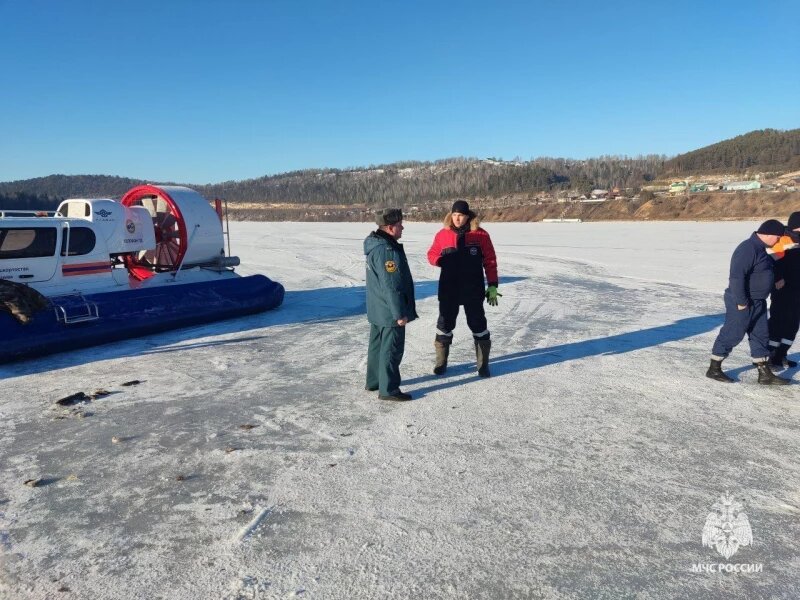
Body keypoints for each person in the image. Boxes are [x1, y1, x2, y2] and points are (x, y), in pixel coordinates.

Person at [707, 219, 790, 385]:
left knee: (760, 335)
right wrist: (741, 301)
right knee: (733, 333)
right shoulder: (747, 248)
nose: (779, 241)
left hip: (758, 301)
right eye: (778, 237)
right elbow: (737, 277)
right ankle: (714, 368)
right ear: (768, 234)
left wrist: (777, 278)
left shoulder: (761, 249)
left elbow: (766, 269)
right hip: (743, 301)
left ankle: (764, 373)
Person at [427, 199, 499, 377]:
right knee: (444, 324)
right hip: (449, 288)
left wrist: (492, 285)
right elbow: (431, 254)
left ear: (468, 216)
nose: (457, 219)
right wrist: (441, 260)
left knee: (478, 325)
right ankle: (441, 362)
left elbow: (490, 261)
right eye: (454, 215)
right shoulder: (442, 234)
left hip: (472, 288)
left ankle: (483, 365)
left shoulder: (481, 235)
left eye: (461, 215)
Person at [364, 208, 418, 401]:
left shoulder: (376, 246)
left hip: (378, 309)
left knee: (377, 346)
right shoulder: (387, 251)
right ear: (389, 228)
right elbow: (391, 285)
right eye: (399, 224)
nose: (402, 227)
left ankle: (374, 381)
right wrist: (399, 313)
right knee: (391, 349)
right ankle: (389, 389)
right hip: (389, 311)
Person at [767, 211, 800, 368]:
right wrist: (778, 278)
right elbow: (771, 263)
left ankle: (781, 355)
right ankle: (769, 356)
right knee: (777, 324)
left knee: (793, 325)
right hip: (782, 291)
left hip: (797, 291)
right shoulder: (782, 240)